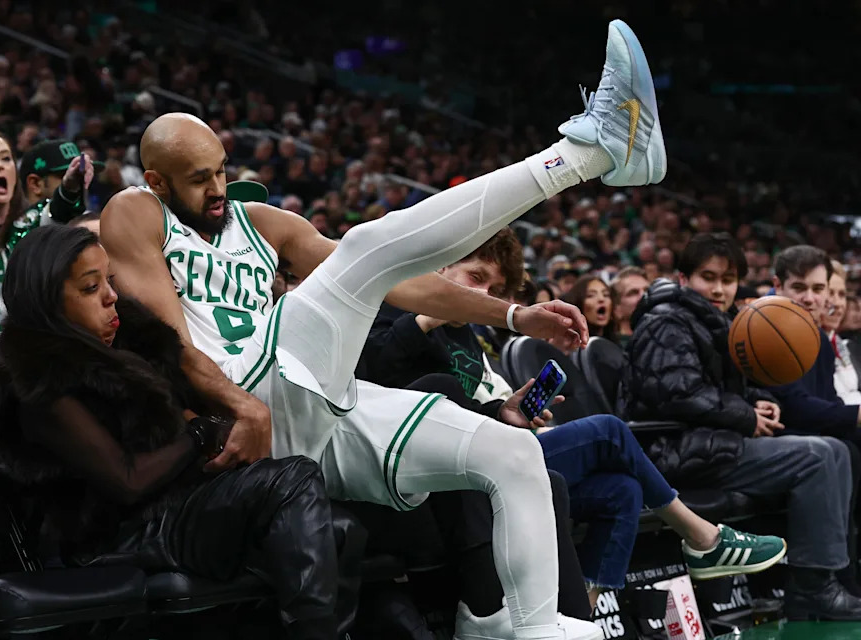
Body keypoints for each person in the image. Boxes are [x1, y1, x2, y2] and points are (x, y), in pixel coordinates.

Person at [101, 21, 666, 640]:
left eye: (220, 170)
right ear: (157, 181)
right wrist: (240, 407)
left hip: (311, 403)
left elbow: (399, 281)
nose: (217, 189)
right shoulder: (135, 211)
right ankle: (586, 154)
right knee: (366, 246)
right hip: (239, 400)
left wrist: (511, 316)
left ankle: (520, 628)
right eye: (198, 179)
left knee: (510, 451)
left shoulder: (257, 219)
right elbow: (169, 340)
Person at [357, 229, 785, 612]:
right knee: (609, 432)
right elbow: (370, 372)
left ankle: (580, 612)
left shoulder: (466, 333)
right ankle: (702, 537)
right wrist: (429, 313)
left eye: (496, 288)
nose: (485, 294)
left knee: (621, 491)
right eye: (476, 278)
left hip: (487, 453)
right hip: (430, 474)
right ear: (441, 266)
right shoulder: (389, 306)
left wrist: (505, 410)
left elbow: (466, 411)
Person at [0, 225, 358, 640]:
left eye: (110, 280)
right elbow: (128, 482)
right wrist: (199, 434)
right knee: (293, 478)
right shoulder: (38, 381)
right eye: (91, 288)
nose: (111, 296)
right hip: (113, 537)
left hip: (174, 507)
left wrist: (214, 431)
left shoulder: (128, 346)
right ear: (47, 302)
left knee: (342, 531)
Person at [621, 232, 861, 621]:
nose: (719, 288)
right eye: (708, 277)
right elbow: (677, 392)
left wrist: (756, 401)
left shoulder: (720, 322)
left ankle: (826, 579)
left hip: (710, 442)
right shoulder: (664, 322)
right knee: (818, 456)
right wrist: (745, 414)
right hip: (674, 448)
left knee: (833, 450)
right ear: (684, 279)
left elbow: (720, 390)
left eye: (728, 280)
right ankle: (813, 588)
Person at [0, 131, 95, 333]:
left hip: (29, 350)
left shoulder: (34, 220)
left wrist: (69, 185)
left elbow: (61, 209)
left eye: (6, 158)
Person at [767, 246, 861, 438]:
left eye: (818, 289)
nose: (809, 299)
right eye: (799, 288)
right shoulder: (762, 334)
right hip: (787, 439)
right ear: (778, 286)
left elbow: (829, 400)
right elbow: (793, 408)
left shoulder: (820, 339)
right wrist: (855, 414)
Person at [18, 139, 103, 220]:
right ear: (35, 184)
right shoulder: (14, 228)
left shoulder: (89, 221)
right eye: (66, 175)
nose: (77, 185)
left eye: (81, 176)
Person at [824, 261, 861, 405]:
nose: (838, 303)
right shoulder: (809, 345)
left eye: (842, 294)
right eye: (830, 293)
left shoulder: (838, 342)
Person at [561, 275, 615, 344]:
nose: (601, 299)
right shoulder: (568, 346)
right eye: (591, 295)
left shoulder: (617, 346)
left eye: (606, 295)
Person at [609, 266, 648, 348]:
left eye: (647, 290)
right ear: (616, 308)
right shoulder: (610, 347)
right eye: (633, 292)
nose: (644, 295)